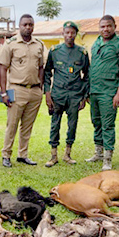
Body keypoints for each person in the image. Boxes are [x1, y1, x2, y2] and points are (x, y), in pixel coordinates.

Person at [0, 14, 45, 167]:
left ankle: (22, 155)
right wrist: (3, 92)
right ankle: (6, 155)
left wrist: (41, 86)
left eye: (30, 24)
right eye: (25, 24)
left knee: (27, 125)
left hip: (35, 91)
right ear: (19, 26)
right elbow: (3, 68)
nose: (28, 27)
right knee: (12, 124)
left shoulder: (38, 44)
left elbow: (41, 67)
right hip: (17, 90)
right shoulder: (10, 44)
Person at [86, 15, 119, 171]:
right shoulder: (96, 42)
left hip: (109, 92)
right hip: (94, 91)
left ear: (115, 26)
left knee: (107, 125)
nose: (105, 29)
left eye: (108, 26)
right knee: (96, 122)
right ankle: (98, 153)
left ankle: (107, 158)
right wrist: (88, 91)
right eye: (102, 27)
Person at [43, 21, 89, 167]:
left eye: (72, 33)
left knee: (72, 124)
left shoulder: (82, 53)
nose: (69, 35)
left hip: (75, 95)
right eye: (67, 32)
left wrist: (84, 95)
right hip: (58, 94)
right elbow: (46, 73)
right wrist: (48, 93)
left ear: (76, 34)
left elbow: (87, 75)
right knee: (55, 123)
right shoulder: (54, 52)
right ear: (62, 34)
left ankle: (67, 154)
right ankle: (53, 155)